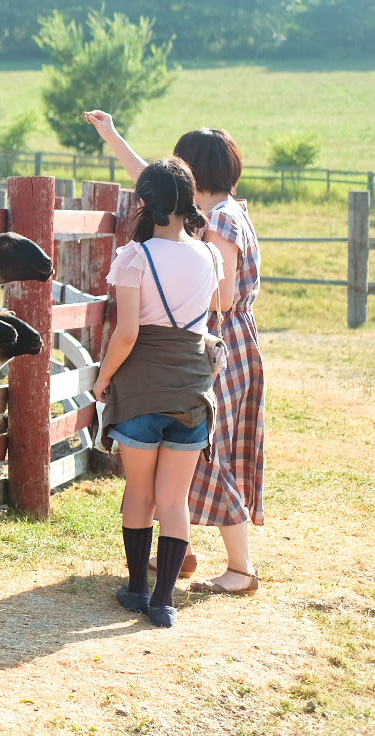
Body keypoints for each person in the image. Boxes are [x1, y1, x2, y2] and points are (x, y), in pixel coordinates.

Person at [87, 112, 264, 596]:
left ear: (194, 170)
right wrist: (113, 138)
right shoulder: (225, 210)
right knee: (187, 452)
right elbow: (156, 185)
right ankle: (178, 551)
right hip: (210, 341)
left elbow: (222, 298)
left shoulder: (222, 220)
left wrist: (167, 281)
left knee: (212, 454)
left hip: (211, 343)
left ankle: (240, 566)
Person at [93, 157, 225, 627]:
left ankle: (135, 588)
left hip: (142, 387)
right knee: (174, 499)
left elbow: (126, 334)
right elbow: (213, 313)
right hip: (192, 387)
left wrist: (103, 378)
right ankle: (164, 601)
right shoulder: (210, 254)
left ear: (145, 201)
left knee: (139, 492)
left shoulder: (136, 257)